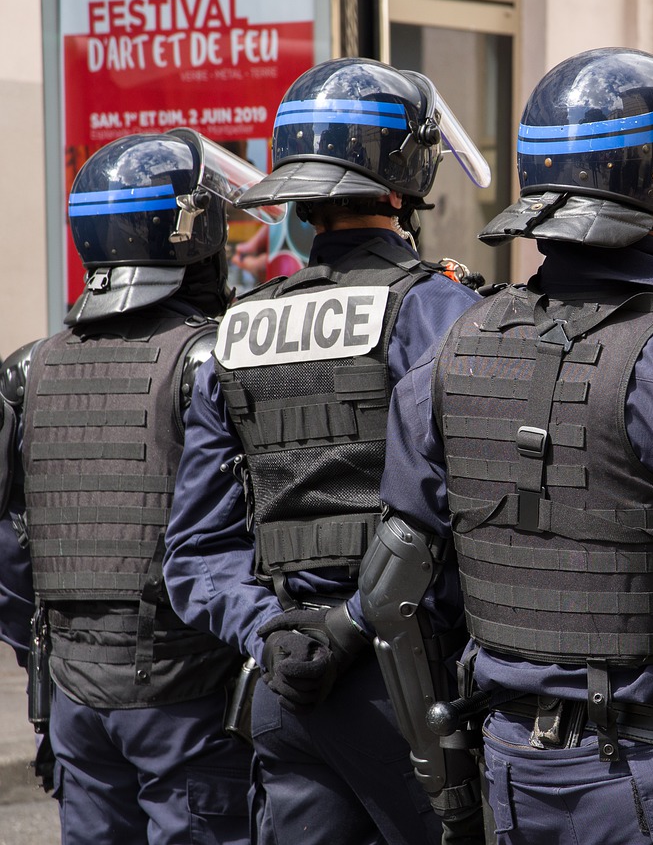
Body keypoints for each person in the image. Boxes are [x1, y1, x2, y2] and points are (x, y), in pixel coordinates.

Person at [359, 46, 653, 845]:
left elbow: (394, 590)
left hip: (504, 768)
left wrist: (450, 784)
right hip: (652, 775)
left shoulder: (456, 347)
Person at [162, 57, 492, 845]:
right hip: (417, 689)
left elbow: (195, 550)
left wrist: (274, 630)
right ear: (406, 173)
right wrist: (350, 622)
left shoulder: (238, 331)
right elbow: (477, 510)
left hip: (287, 687)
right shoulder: (445, 311)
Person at [0, 128, 278, 844]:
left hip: (72, 698)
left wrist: (48, 653)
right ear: (192, 237)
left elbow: (8, 555)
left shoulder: (29, 369)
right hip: (188, 696)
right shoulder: (211, 361)